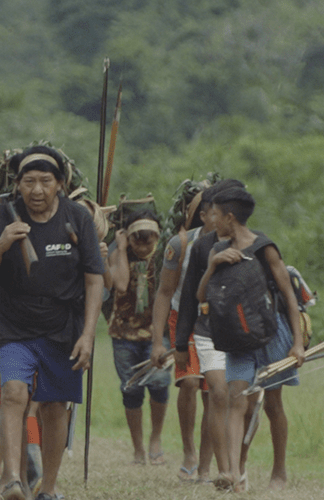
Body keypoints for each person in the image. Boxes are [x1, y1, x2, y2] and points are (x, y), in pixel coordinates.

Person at [0, 146, 104, 500]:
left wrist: (88, 335)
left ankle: (49, 487)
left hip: (64, 327)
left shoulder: (78, 218)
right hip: (15, 324)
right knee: (13, 393)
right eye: (29, 182)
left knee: (56, 407)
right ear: (17, 185)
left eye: (46, 181)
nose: (37, 190)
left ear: (60, 183)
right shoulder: (0, 218)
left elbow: (93, 279)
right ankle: (12, 478)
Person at [196, 186, 304, 492]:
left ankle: (279, 471)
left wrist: (297, 343)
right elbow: (201, 295)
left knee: (272, 403)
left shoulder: (265, 248)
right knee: (236, 399)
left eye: (216, 214)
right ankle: (231, 472)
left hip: (271, 334)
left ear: (230, 217)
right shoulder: (217, 251)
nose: (212, 220)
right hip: (237, 337)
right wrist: (214, 266)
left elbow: (289, 296)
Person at [168, 179, 247, 487]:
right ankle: (220, 469)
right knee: (214, 391)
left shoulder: (258, 244)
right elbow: (188, 296)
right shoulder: (198, 246)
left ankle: (231, 466)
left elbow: (270, 293)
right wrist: (179, 342)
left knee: (237, 400)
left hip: (241, 333)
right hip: (205, 329)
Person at [147, 178, 214, 482]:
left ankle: (207, 463)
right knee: (188, 384)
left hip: (217, 323)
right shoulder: (180, 245)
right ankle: (189, 451)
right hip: (182, 319)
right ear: (198, 214)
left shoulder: (238, 242)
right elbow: (164, 292)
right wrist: (157, 341)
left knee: (214, 393)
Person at [106, 210, 170, 465]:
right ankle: (138, 448)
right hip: (124, 333)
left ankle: (156, 439)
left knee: (159, 383)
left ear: (156, 237)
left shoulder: (164, 256)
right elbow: (119, 284)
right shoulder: (119, 254)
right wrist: (121, 249)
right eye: (137, 241)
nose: (143, 247)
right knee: (131, 389)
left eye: (148, 241)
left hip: (157, 333)